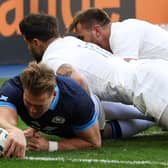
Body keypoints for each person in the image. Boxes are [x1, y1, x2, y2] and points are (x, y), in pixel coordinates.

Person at [19, 13, 155, 132]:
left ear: (36, 42)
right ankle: (151, 118)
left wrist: (93, 121)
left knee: (78, 113)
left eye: (28, 43)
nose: (28, 48)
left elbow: (78, 81)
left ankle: (151, 117)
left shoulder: (50, 60)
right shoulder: (70, 41)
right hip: (143, 76)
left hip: (134, 87)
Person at [0, 62, 154, 158]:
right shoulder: (14, 88)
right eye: (28, 103)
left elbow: (94, 143)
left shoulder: (75, 100)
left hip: (93, 110)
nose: (32, 110)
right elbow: (3, 117)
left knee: (145, 113)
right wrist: (13, 130)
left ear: (53, 94)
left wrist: (51, 146)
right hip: (70, 125)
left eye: (39, 106)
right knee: (139, 125)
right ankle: (152, 121)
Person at [67, 8, 168, 60]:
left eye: (82, 37)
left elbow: (126, 79)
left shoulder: (122, 34)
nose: (82, 43)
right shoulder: (121, 32)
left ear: (97, 31)